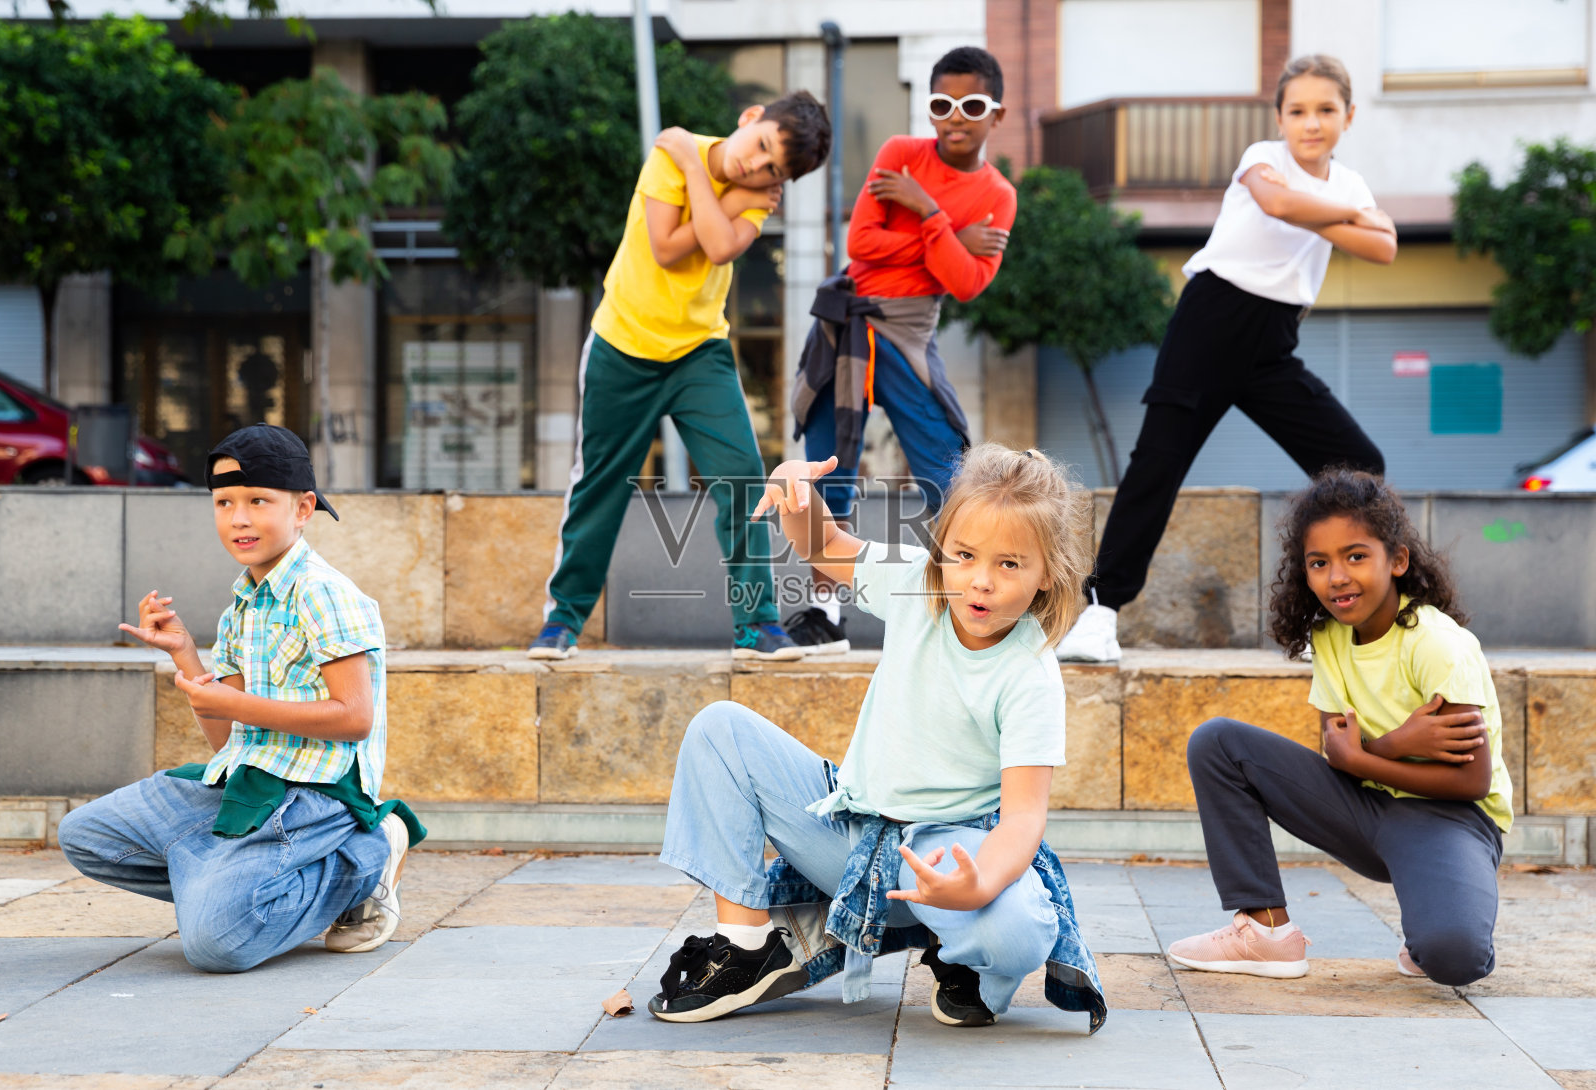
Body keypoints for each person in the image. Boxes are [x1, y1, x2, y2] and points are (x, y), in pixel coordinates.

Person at [644, 444, 1107, 1032]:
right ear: (941, 550)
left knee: (1020, 931)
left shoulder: (1030, 673)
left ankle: (961, 956)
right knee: (719, 729)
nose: (981, 581)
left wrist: (978, 885)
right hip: (850, 835)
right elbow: (823, 545)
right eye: (964, 555)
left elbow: (1022, 820)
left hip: (943, 854)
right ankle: (748, 944)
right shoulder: (915, 582)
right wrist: (797, 493)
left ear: (1048, 576)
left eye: (1010, 564)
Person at [1057, 54, 1395, 663]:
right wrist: (1348, 216)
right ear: (1279, 117)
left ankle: (1327, 618)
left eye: (1325, 110)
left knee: (1357, 466)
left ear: (1348, 116)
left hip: (1273, 345)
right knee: (1157, 464)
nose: (1311, 123)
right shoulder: (1263, 158)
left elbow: (1386, 247)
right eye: (1298, 110)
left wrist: (1335, 210)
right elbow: (1278, 204)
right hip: (1209, 326)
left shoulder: (1349, 183)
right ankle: (1099, 614)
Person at [58, 424, 424, 971]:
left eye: (258, 501)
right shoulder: (241, 609)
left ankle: (365, 858)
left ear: (303, 508)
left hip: (316, 797)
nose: (239, 519)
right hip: (247, 782)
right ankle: (231, 882)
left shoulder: (325, 593)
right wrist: (185, 654)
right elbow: (229, 739)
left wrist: (236, 705)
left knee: (216, 946)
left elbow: (354, 718)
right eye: (224, 502)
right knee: (86, 834)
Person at [1168, 469, 1511, 985]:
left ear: (1397, 560)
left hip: (1450, 819)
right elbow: (1340, 754)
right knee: (1218, 743)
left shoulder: (1438, 645)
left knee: (1454, 957)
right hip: (1365, 809)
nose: (1337, 577)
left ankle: (1435, 909)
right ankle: (1265, 931)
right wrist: (1389, 746)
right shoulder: (1329, 635)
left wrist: (1363, 756)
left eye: (1355, 556)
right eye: (1319, 563)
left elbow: (1471, 781)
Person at [529, 93, 832, 662]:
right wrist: (709, 178)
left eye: (771, 170)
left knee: (741, 476)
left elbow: (718, 247)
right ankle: (562, 621)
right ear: (750, 117)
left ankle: (757, 625)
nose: (755, 166)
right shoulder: (673, 153)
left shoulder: (713, 173)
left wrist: (705, 177)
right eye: (760, 146)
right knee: (598, 484)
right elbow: (666, 248)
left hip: (699, 353)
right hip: (623, 345)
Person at [786, 46, 1016, 656]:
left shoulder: (998, 194)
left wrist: (924, 210)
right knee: (827, 470)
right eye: (942, 104)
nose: (955, 118)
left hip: (910, 333)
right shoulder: (899, 153)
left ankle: (964, 609)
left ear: (997, 113)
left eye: (972, 106)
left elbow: (966, 283)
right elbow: (861, 243)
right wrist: (949, 234)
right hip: (844, 328)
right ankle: (823, 612)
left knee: (950, 472)